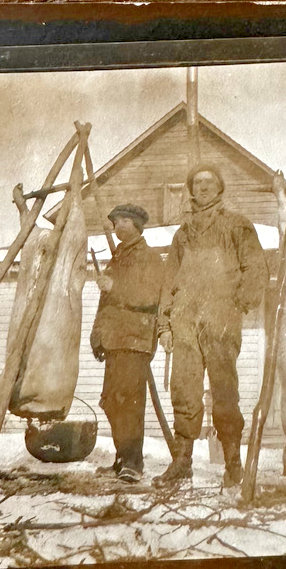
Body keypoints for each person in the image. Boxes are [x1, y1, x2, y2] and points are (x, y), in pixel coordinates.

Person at [153, 163, 269, 487]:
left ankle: (233, 465)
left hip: (220, 318)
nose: (203, 188)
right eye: (197, 183)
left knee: (224, 392)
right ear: (191, 190)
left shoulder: (237, 225)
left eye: (209, 182)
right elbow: (168, 280)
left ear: (220, 188)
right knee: (184, 390)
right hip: (186, 320)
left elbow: (256, 267)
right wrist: (165, 324)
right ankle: (182, 462)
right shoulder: (183, 234)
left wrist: (240, 303)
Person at [89, 204, 166, 485]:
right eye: (114, 222)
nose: (117, 226)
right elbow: (106, 302)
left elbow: (149, 296)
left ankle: (133, 463)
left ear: (136, 224)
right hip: (115, 339)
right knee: (111, 401)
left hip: (135, 339)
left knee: (129, 402)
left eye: (123, 221)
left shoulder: (150, 258)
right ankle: (122, 459)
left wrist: (114, 287)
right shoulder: (117, 258)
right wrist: (97, 334)